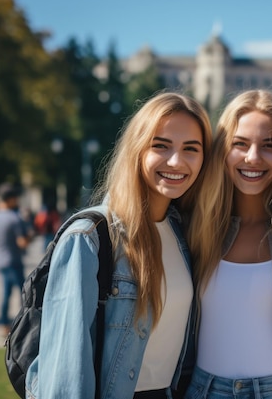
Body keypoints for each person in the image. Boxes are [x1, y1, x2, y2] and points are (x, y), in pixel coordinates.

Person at [25, 92, 212, 399]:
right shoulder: (89, 237)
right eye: (160, 146)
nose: (176, 161)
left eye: (191, 149)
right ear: (137, 149)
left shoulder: (184, 233)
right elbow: (65, 374)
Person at [185, 90, 272, 399]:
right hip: (203, 390)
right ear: (223, 150)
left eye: (270, 146)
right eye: (240, 143)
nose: (253, 157)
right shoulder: (195, 229)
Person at [0, 183, 31, 335]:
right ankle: (24, 323)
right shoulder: (14, 218)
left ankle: (4, 323)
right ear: (11, 199)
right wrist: (31, 235)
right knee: (24, 293)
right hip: (13, 260)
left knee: (5, 294)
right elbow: (22, 243)